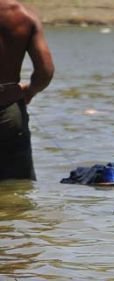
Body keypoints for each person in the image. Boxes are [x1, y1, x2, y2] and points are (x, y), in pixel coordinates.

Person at [0, 0, 54, 181]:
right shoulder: (24, 15)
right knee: (17, 188)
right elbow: (45, 72)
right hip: (8, 110)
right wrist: (29, 91)